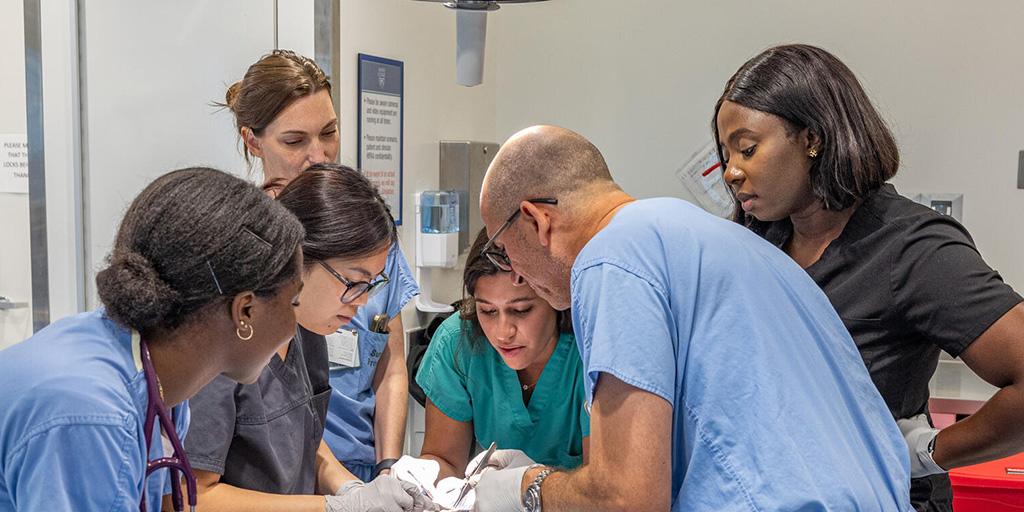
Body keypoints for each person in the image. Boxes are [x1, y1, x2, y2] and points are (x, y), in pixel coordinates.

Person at [471, 125, 911, 511]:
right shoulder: (722, 239)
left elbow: (628, 500)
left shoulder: (611, 260)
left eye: (504, 250)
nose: (513, 271)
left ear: (536, 219)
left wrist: (523, 489)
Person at [713, 43, 1024, 511]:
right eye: (725, 154)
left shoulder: (910, 247)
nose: (732, 172)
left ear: (812, 139)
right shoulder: (762, 243)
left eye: (748, 149)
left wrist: (923, 452)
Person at [0, 167, 305, 511]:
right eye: (293, 303)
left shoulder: (158, 380)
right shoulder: (90, 413)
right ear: (245, 310)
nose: (295, 325)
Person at [183, 165, 429, 512]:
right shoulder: (226, 341)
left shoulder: (307, 332)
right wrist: (330, 508)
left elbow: (305, 438)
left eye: (372, 285)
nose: (361, 302)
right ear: (300, 257)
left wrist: (352, 490)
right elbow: (191, 496)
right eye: (353, 282)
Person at [224, 49, 418, 482]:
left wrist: (381, 472)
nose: (319, 155)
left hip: (336, 471)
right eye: (295, 141)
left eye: (329, 132)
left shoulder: (365, 233)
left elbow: (389, 366)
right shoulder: (239, 274)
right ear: (253, 140)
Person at [417, 229, 589, 482]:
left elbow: (605, 486)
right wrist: (422, 476)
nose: (503, 333)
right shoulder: (458, 342)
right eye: (487, 311)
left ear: (555, 298)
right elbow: (445, 460)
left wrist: (533, 486)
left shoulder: (589, 350)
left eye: (521, 310)